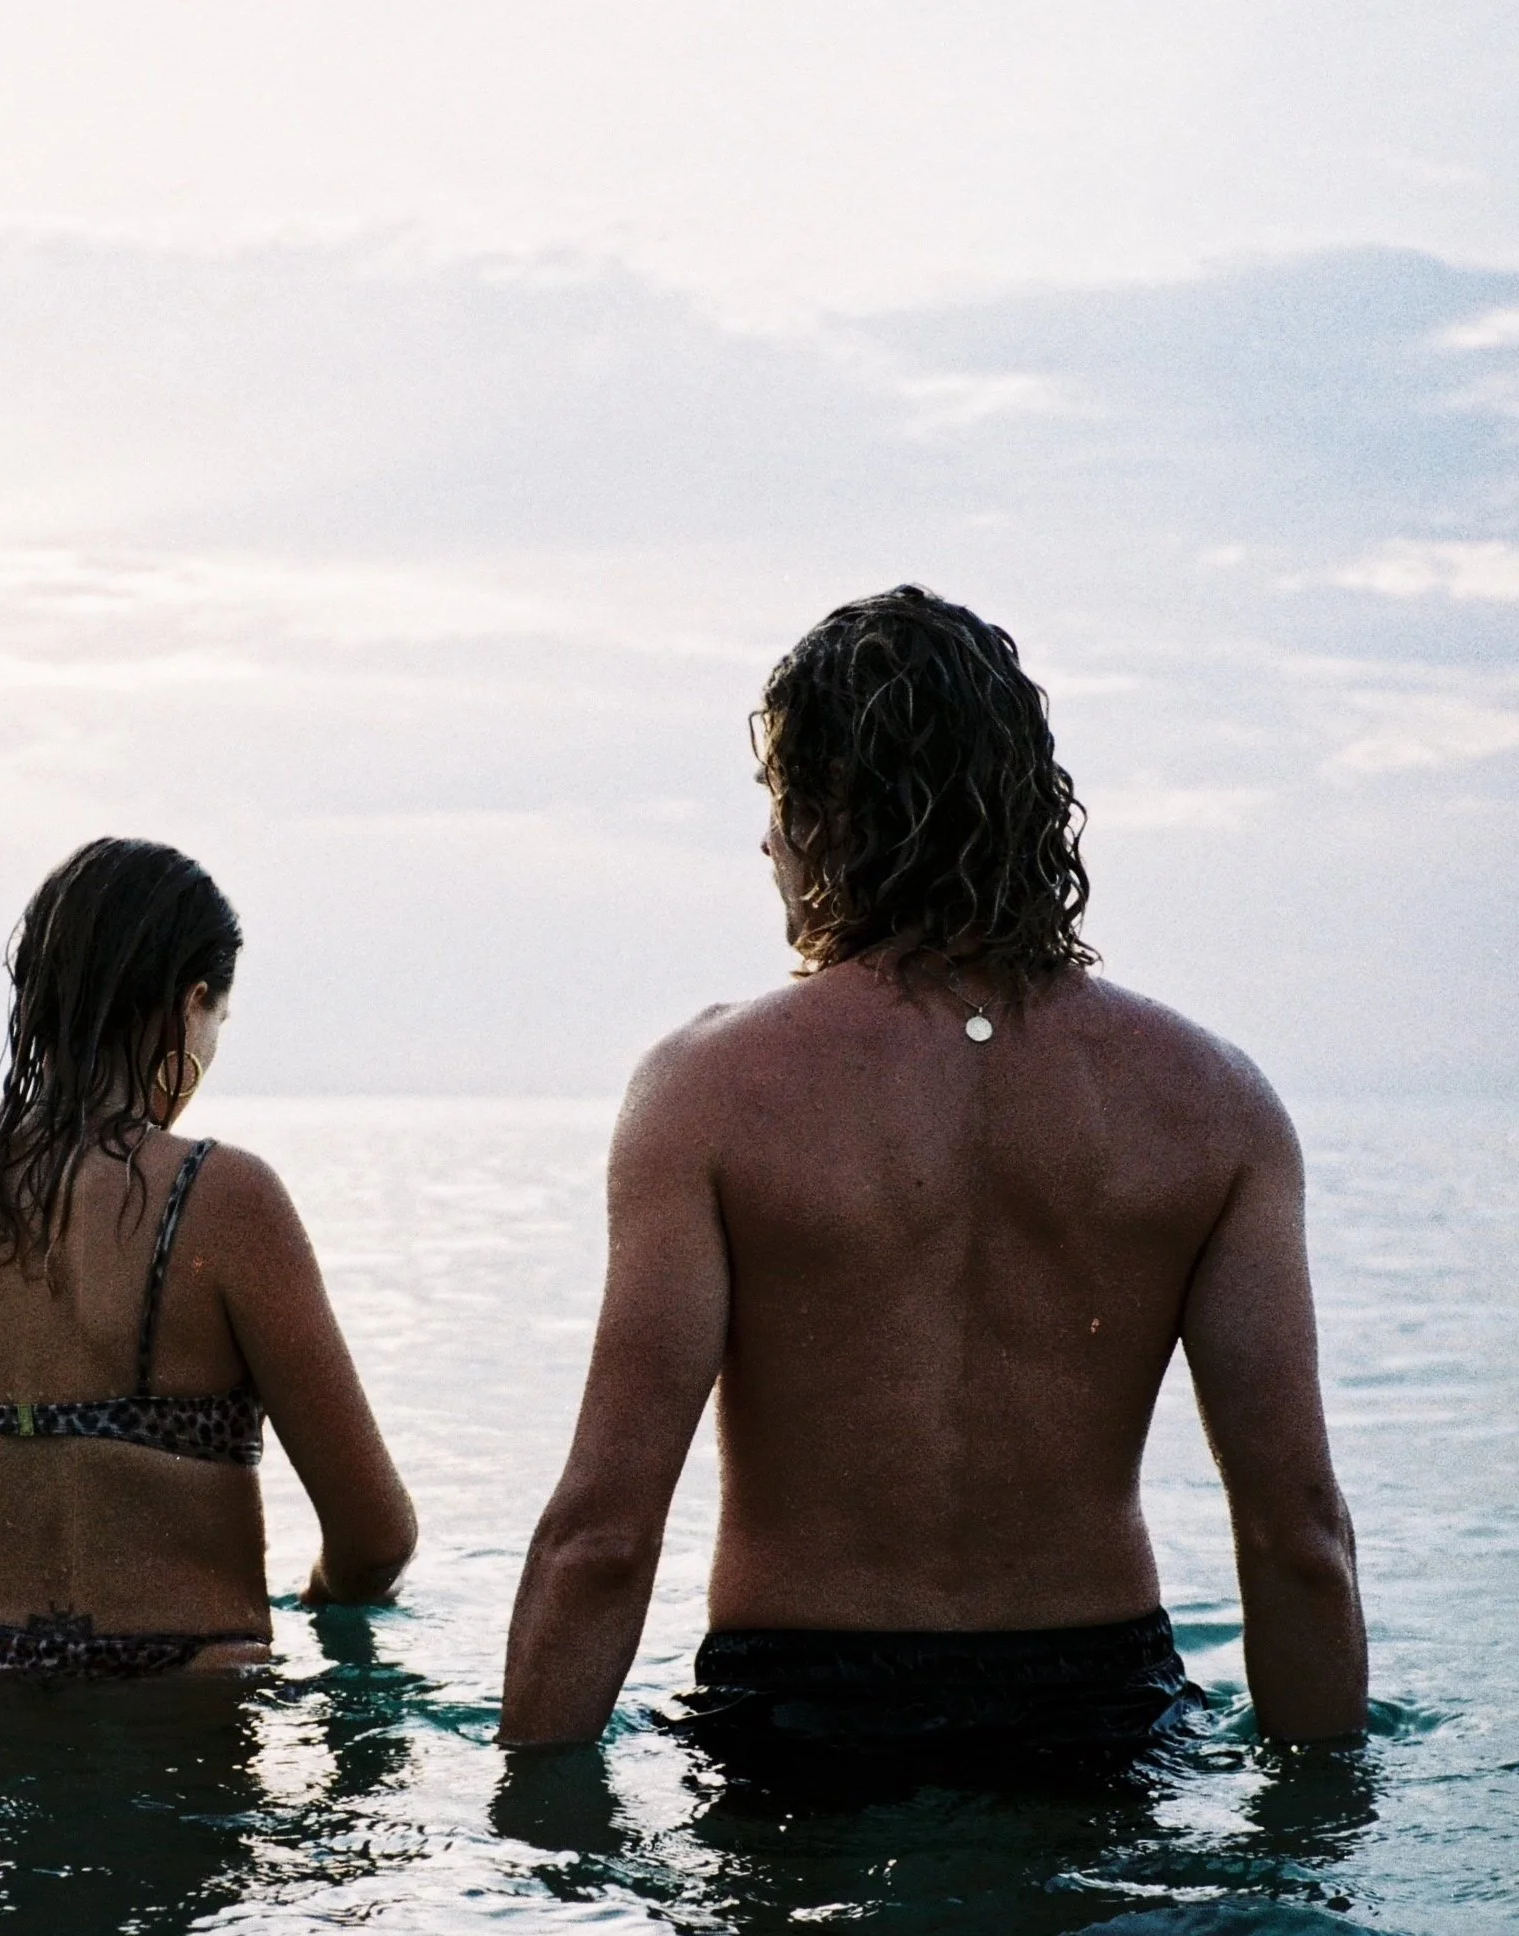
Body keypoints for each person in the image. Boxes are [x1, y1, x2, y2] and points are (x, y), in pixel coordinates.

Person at [500, 586, 1366, 1764]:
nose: (767, 844)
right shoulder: (1218, 1103)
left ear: (829, 814)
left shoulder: (706, 1092)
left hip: (800, 1718)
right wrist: (1316, 1850)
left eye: (777, 805)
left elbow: (601, 1538)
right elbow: (1298, 1541)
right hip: (1101, 1714)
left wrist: (528, 1858)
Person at [0, 837, 416, 1680]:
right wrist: (322, 1598)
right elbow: (376, 1538)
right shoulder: (224, 1197)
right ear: (192, 1004)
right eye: (221, 1017)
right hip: (190, 1718)